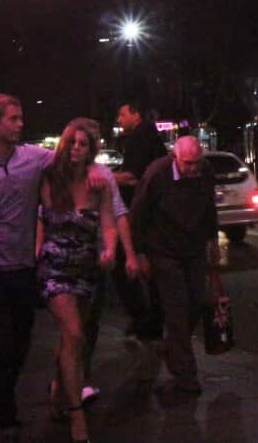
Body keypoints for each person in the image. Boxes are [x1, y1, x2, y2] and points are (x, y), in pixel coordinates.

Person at [0, 94, 112, 443]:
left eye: (21, 118)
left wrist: (94, 168)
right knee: (2, 345)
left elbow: (70, 159)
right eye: (14, 119)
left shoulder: (32, 159)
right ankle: (7, 420)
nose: (21, 124)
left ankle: (27, 395)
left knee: (20, 344)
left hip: (23, 269)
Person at [36, 118, 138, 443]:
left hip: (85, 268)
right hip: (54, 266)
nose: (77, 148)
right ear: (64, 146)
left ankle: (57, 392)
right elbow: (39, 218)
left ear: (91, 150)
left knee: (72, 339)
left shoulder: (99, 183)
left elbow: (109, 223)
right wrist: (35, 252)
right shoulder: (50, 177)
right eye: (73, 143)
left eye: (84, 144)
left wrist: (111, 250)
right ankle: (76, 416)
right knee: (76, 334)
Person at [129, 136, 219, 396]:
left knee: (195, 304)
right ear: (175, 158)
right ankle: (185, 374)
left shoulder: (204, 172)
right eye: (187, 164)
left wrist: (212, 238)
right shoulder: (157, 174)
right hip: (164, 250)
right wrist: (140, 253)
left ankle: (172, 346)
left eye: (196, 163)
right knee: (177, 309)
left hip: (193, 248)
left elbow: (209, 207)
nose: (192, 169)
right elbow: (138, 214)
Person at [111, 101, 169, 339]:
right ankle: (151, 318)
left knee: (124, 263)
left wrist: (105, 176)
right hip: (152, 212)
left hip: (140, 213)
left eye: (122, 114)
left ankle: (145, 318)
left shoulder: (139, 138)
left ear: (135, 113)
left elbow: (132, 176)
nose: (118, 119)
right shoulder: (149, 136)